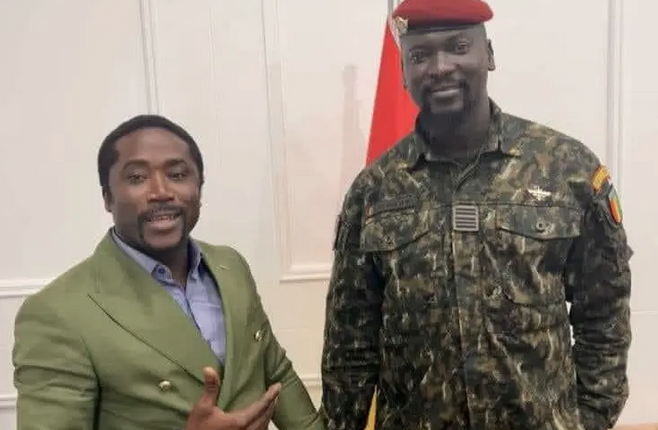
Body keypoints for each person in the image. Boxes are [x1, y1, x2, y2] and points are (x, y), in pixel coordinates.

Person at [319, 0, 633, 429]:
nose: (439, 67)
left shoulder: (566, 170)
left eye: (458, 46)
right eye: (419, 55)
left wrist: (591, 418)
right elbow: (350, 344)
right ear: (404, 73)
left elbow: (604, 313)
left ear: (489, 54)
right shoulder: (373, 191)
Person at [13, 115, 324, 430]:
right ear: (107, 197)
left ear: (199, 187)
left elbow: (275, 372)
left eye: (177, 174)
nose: (160, 191)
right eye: (137, 178)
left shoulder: (231, 267)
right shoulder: (58, 312)